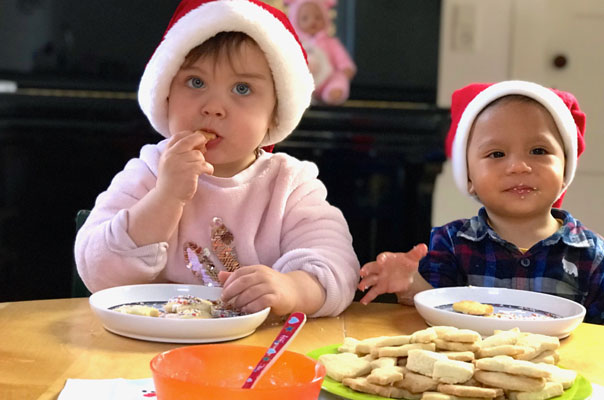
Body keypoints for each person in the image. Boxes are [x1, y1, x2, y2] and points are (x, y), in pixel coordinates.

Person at [74, 0, 360, 318]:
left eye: (242, 88)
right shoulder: (149, 172)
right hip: (145, 353)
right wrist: (166, 197)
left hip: (255, 355)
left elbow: (338, 267)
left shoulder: (290, 185)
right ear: (165, 95)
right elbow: (96, 271)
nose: (213, 107)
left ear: (275, 115)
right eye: (196, 82)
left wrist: (291, 290)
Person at [358, 80, 604, 324]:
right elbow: (434, 305)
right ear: (469, 177)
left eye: (538, 151)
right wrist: (409, 283)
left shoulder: (591, 254)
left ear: (565, 171)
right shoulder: (452, 244)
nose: (518, 166)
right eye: (497, 154)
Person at [285, 0, 356, 105]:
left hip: (326, 80)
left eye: (318, 17)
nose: (312, 21)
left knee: (339, 78)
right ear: (295, 20)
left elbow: (341, 58)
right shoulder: (292, 43)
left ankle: (333, 92)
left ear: (326, 19)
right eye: (305, 18)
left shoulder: (331, 43)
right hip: (300, 84)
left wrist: (346, 68)